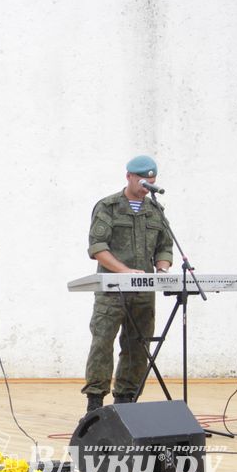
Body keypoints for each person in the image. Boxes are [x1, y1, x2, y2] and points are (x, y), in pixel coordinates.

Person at [82, 155, 173, 413]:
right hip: (112, 292)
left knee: (138, 345)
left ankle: (126, 401)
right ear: (129, 177)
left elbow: (165, 246)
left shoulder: (155, 211)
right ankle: (95, 402)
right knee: (102, 343)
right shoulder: (108, 207)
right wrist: (123, 271)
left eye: (151, 182)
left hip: (143, 292)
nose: (147, 186)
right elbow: (98, 247)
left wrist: (162, 268)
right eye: (143, 180)